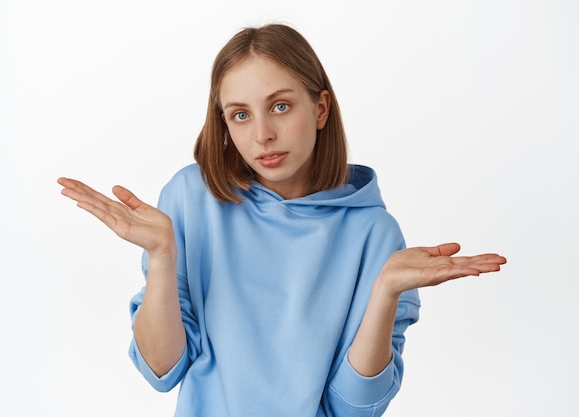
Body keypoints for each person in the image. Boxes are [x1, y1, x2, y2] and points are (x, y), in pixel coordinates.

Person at [58, 23, 506, 417]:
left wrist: (385, 293)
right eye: (240, 115)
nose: (262, 135)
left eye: (280, 106)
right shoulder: (191, 198)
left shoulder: (374, 233)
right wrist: (160, 256)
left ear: (321, 109)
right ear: (225, 125)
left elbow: (353, 410)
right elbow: (162, 370)